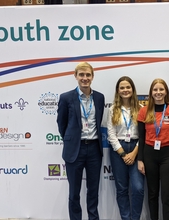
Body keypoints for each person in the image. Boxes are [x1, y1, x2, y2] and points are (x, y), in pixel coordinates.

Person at [57, 62, 105, 220]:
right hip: (74, 150)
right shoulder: (66, 98)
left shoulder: (99, 97)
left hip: (94, 150)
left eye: (88, 75)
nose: (85, 78)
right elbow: (61, 124)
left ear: (93, 76)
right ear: (76, 76)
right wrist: (71, 140)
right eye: (82, 75)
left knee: (93, 191)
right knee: (74, 193)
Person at [137, 78, 169, 220]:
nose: (158, 92)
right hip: (149, 154)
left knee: (167, 194)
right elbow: (141, 137)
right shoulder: (144, 111)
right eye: (155, 89)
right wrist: (140, 160)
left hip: (168, 155)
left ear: (166, 92)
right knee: (152, 193)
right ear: (151, 92)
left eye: (161, 89)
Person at [107, 76, 144, 220]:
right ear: (118, 90)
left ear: (133, 89)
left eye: (128, 87)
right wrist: (123, 154)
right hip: (118, 150)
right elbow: (111, 134)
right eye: (122, 87)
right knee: (122, 189)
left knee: (138, 188)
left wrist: (134, 153)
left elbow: (144, 134)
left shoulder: (141, 108)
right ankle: (125, 218)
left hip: (136, 148)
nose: (125, 90)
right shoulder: (112, 109)